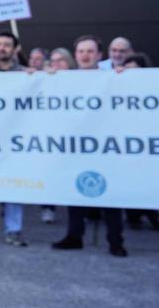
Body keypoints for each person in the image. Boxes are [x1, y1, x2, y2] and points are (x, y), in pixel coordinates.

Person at [53, 35, 128, 257]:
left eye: (90, 51)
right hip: (75, 147)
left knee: (110, 197)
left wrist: (128, 78)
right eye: (81, 52)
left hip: (106, 147)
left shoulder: (113, 78)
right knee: (74, 194)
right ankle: (74, 236)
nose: (85, 55)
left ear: (99, 55)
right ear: (75, 56)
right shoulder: (63, 80)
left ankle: (116, 241)